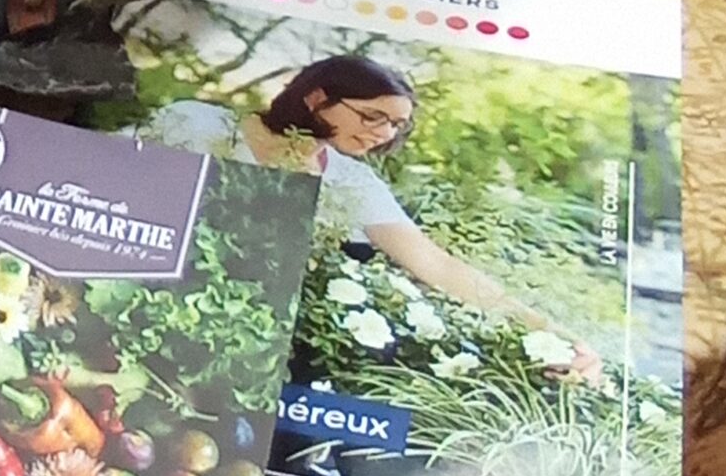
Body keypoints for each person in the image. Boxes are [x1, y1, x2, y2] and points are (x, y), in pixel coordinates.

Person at [148, 53, 598, 368]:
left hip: (244, 338)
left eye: (396, 125)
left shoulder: (351, 181)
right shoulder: (198, 125)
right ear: (316, 98)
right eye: (372, 117)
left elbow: (438, 265)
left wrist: (553, 333)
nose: (384, 134)